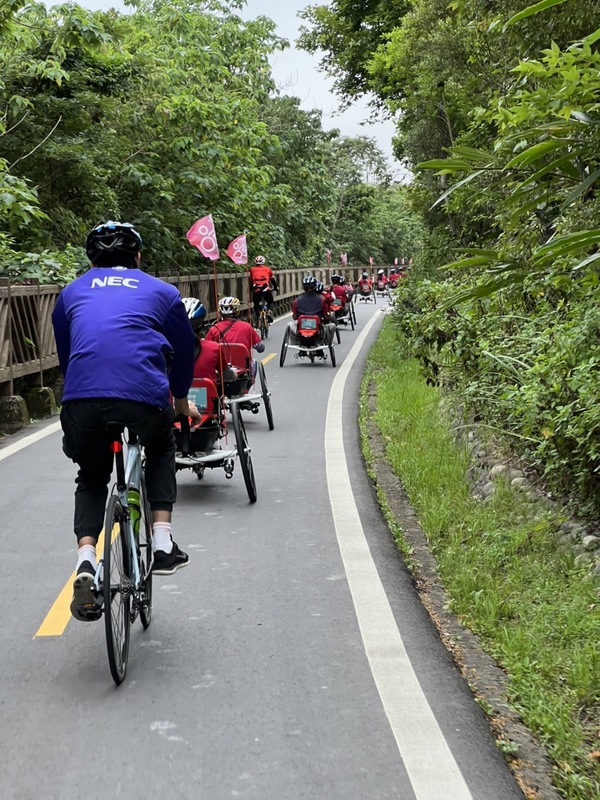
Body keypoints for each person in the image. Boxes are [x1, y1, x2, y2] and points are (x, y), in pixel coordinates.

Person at [52, 221, 201, 622]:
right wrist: (182, 398)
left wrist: (82, 397)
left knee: (91, 475)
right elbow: (185, 349)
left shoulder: (70, 293)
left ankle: (86, 561)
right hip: (143, 398)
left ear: (91, 260)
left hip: (82, 399)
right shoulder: (162, 292)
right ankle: (163, 541)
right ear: (137, 257)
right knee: (161, 445)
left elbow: (67, 356)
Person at [204, 296, 265, 378]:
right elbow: (260, 348)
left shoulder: (214, 329)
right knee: (254, 363)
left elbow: (205, 349)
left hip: (220, 371)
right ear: (237, 311)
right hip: (243, 371)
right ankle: (247, 387)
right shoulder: (247, 327)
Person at [182, 297, 220, 381]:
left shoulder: (168, 349)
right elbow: (226, 374)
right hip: (210, 393)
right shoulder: (214, 347)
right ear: (201, 325)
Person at [290, 276, 336, 345]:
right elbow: (326, 316)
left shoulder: (297, 300)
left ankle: (296, 343)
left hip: (301, 330)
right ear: (315, 287)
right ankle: (326, 343)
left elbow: (294, 317)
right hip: (317, 330)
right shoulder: (321, 300)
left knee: (289, 325)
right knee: (332, 326)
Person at [249, 255, 279, 324]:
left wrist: (251, 289)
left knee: (256, 305)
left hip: (256, 290)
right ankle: (269, 313)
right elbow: (272, 280)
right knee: (270, 301)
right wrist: (275, 287)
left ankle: (256, 319)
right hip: (266, 290)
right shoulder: (268, 269)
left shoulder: (252, 269)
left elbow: (251, 281)